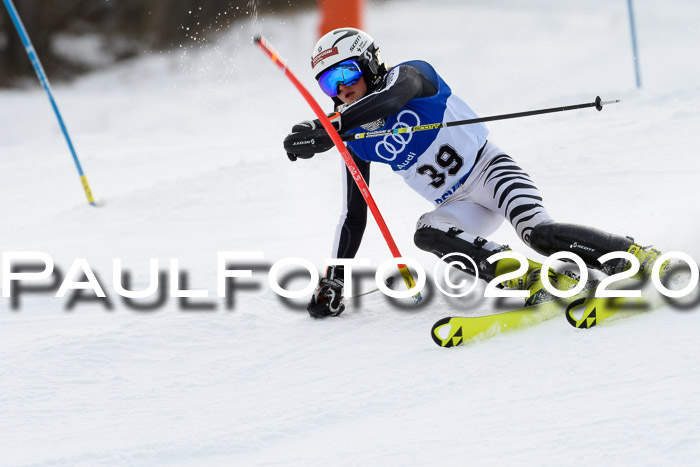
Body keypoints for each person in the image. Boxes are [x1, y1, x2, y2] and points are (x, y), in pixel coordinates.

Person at [283, 27, 664, 319]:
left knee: (539, 233)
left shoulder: (412, 75)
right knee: (426, 231)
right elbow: (354, 215)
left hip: (491, 171)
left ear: (368, 61)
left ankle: (632, 254)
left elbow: (394, 97)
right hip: (457, 205)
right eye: (329, 83)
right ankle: (526, 277)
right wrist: (334, 278)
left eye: (347, 74)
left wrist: (329, 128)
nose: (343, 89)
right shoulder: (354, 137)